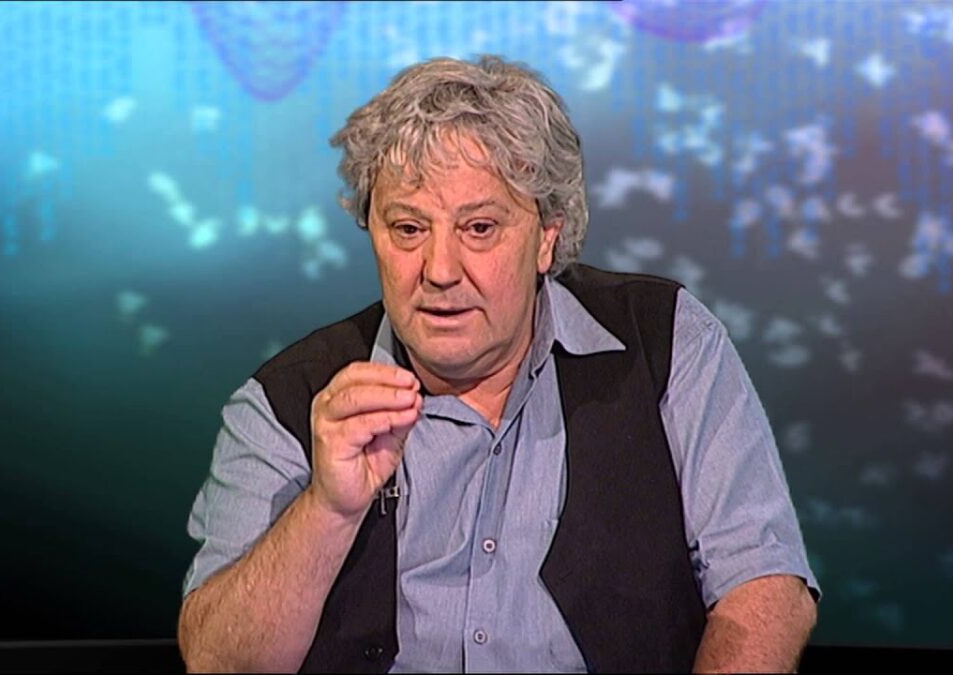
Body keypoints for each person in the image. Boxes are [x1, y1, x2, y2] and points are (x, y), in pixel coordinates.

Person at [177, 55, 820, 673]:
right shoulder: (286, 402)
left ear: (546, 237)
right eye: (408, 229)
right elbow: (218, 661)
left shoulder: (667, 344)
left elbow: (765, 588)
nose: (440, 270)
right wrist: (327, 510)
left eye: (479, 228)